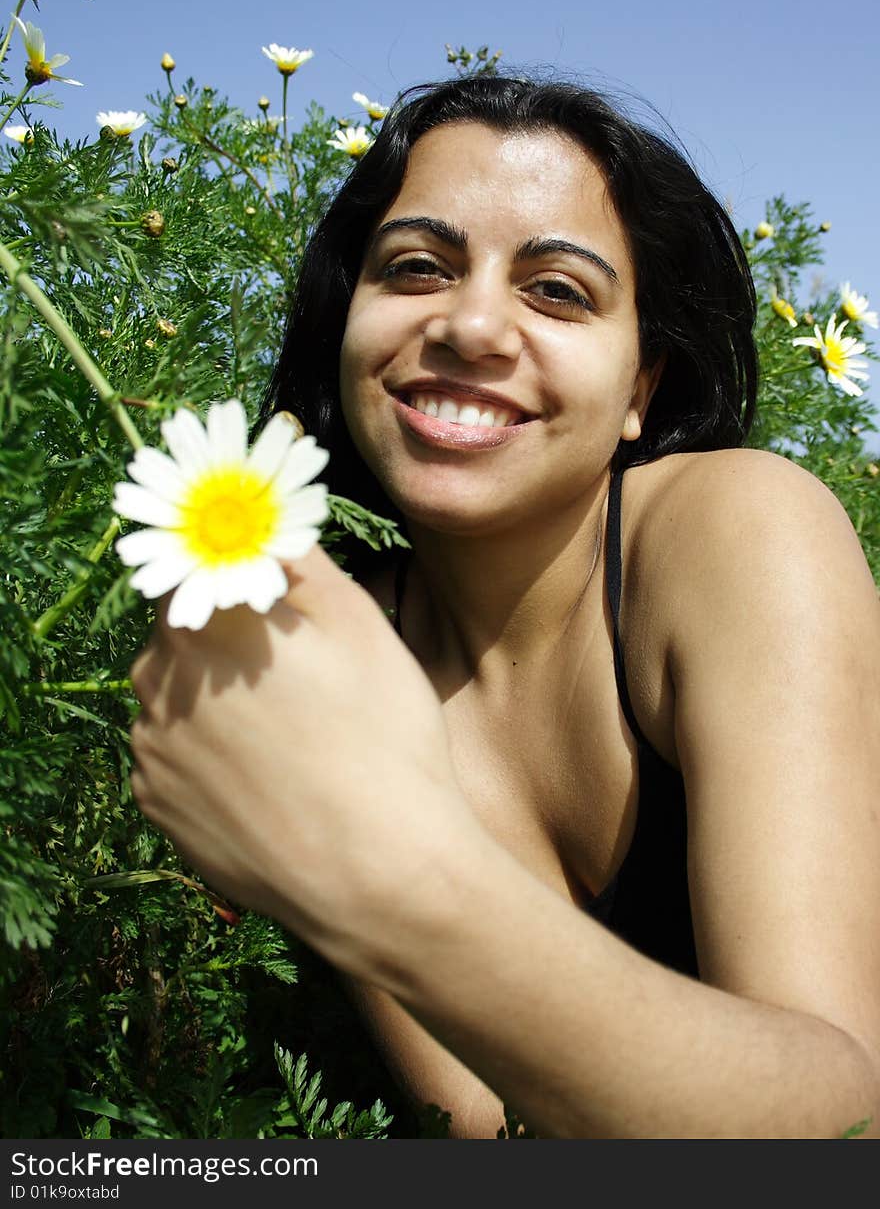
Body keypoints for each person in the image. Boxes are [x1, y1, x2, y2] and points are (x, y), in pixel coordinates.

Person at [128, 75, 880, 1139]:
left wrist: (382, 874)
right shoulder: (316, 645)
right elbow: (491, 1130)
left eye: (558, 290)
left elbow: (844, 1125)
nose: (472, 323)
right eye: (417, 268)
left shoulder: (740, 531)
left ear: (639, 390)